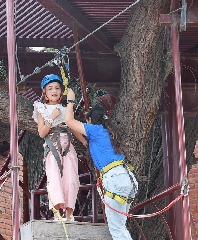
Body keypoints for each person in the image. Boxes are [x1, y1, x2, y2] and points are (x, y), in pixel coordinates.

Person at [64, 88, 138, 240]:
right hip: (127, 179)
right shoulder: (106, 133)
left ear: (90, 120)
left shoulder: (95, 130)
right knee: (120, 227)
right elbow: (75, 130)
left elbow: (69, 121)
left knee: (117, 230)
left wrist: (70, 100)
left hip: (114, 179)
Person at [32, 74, 87, 221]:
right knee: (55, 178)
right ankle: (57, 212)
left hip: (68, 144)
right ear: (45, 93)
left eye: (57, 87)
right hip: (53, 145)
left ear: (62, 91)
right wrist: (52, 118)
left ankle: (69, 213)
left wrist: (84, 141)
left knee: (71, 178)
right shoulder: (41, 108)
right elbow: (42, 132)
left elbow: (72, 126)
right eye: (50, 88)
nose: (54, 90)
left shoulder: (65, 109)